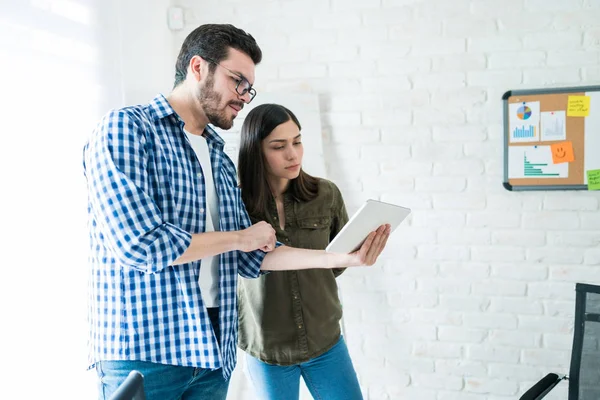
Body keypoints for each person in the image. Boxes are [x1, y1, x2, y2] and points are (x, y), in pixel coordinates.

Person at [83, 23, 391, 400]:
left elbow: (253, 257)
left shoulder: (218, 156)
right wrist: (242, 237)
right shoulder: (127, 129)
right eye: (237, 81)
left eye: (249, 86)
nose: (245, 96)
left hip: (213, 350)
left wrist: (343, 257)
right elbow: (141, 245)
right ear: (198, 68)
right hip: (148, 355)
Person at [237, 104, 370, 400]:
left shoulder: (326, 195)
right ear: (255, 151)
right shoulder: (237, 205)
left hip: (325, 341)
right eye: (278, 146)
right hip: (267, 349)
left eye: (297, 141)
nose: (293, 154)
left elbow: (337, 261)